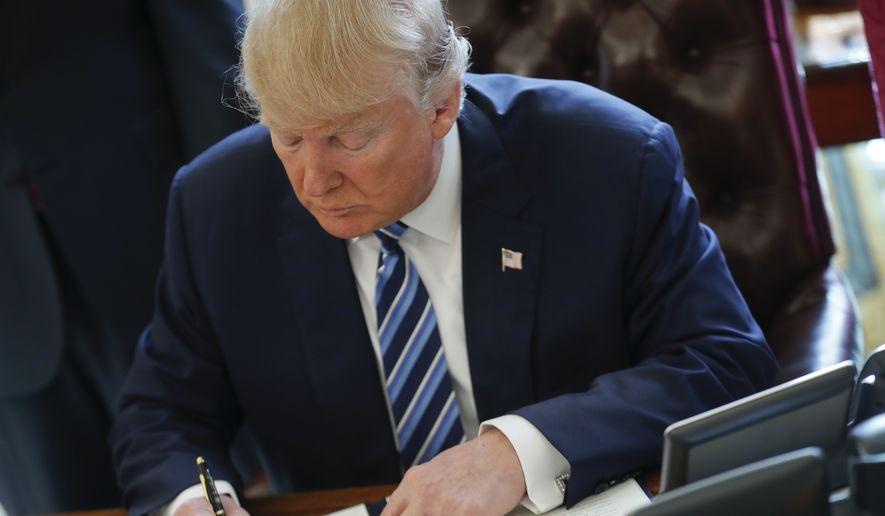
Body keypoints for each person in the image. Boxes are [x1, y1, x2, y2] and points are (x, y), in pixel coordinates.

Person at [110, 0, 779, 514]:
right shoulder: (217, 204)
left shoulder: (606, 158)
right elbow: (163, 410)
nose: (314, 181)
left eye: (351, 137)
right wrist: (192, 499)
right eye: (287, 137)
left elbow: (723, 360)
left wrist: (516, 451)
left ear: (442, 104)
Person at [0, 1, 246, 513]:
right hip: (12, 320)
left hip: (150, 226)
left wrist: (234, 204)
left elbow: (207, 41)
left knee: (236, 482)